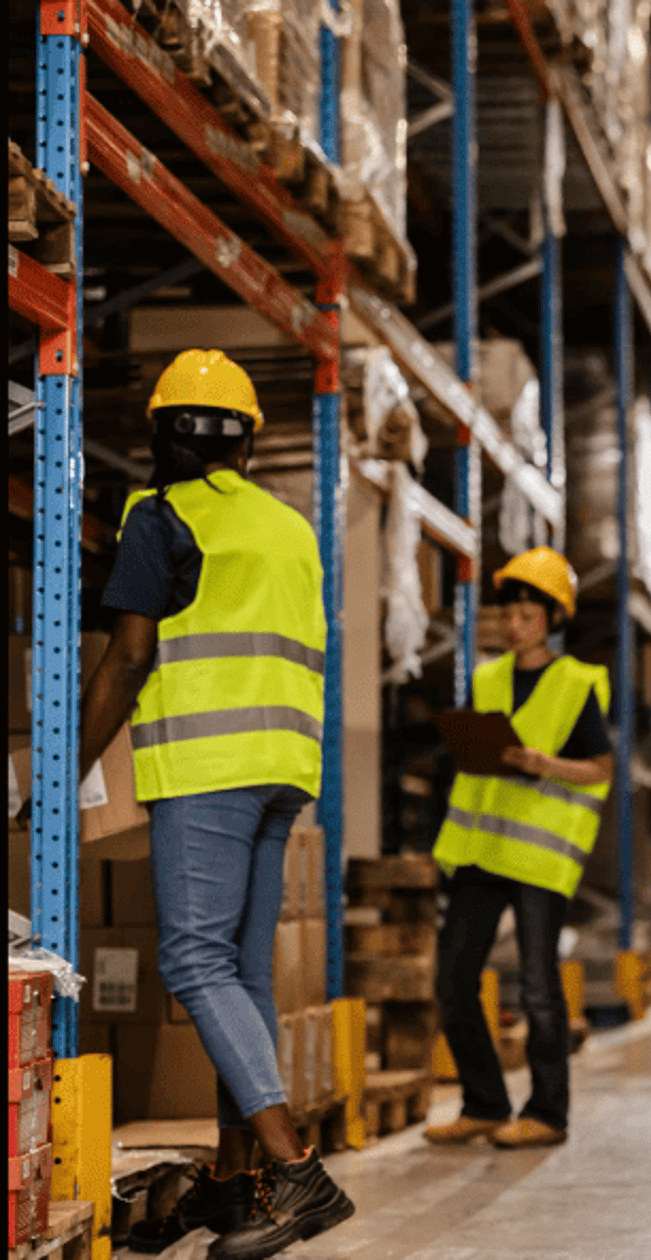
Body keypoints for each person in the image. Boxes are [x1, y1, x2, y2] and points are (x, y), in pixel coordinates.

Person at [80, 349, 354, 1260]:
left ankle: (296, 1169)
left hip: (208, 766)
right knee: (242, 973)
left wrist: (62, 772)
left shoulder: (158, 516)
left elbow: (128, 656)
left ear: (162, 437)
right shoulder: (288, 526)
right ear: (247, 442)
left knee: (194, 962)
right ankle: (239, 1183)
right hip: (285, 768)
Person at [425, 548, 613, 1150]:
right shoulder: (486, 679)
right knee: (452, 979)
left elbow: (600, 769)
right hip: (481, 851)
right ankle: (484, 1102)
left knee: (537, 987)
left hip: (537, 857)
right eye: (508, 613)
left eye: (528, 614)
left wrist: (543, 765)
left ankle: (548, 1113)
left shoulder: (576, 684)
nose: (515, 624)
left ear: (554, 618)